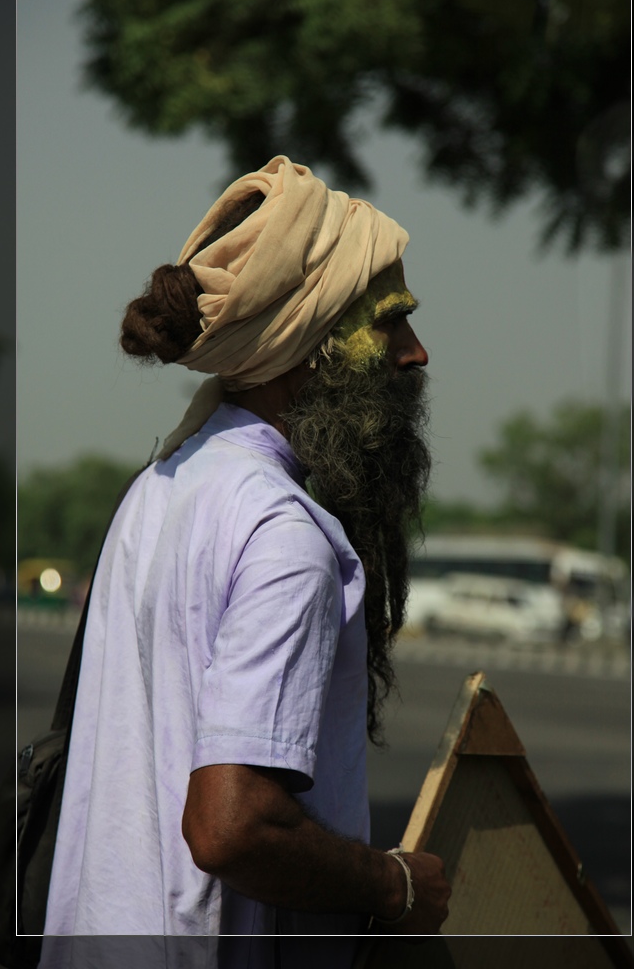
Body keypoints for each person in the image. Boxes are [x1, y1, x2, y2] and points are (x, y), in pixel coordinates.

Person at [40, 156, 451, 967]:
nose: (416, 353)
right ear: (311, 342)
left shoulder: (163, 484)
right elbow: (231, 829)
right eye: (389, 322)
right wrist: (391, 885)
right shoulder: (284, 537)